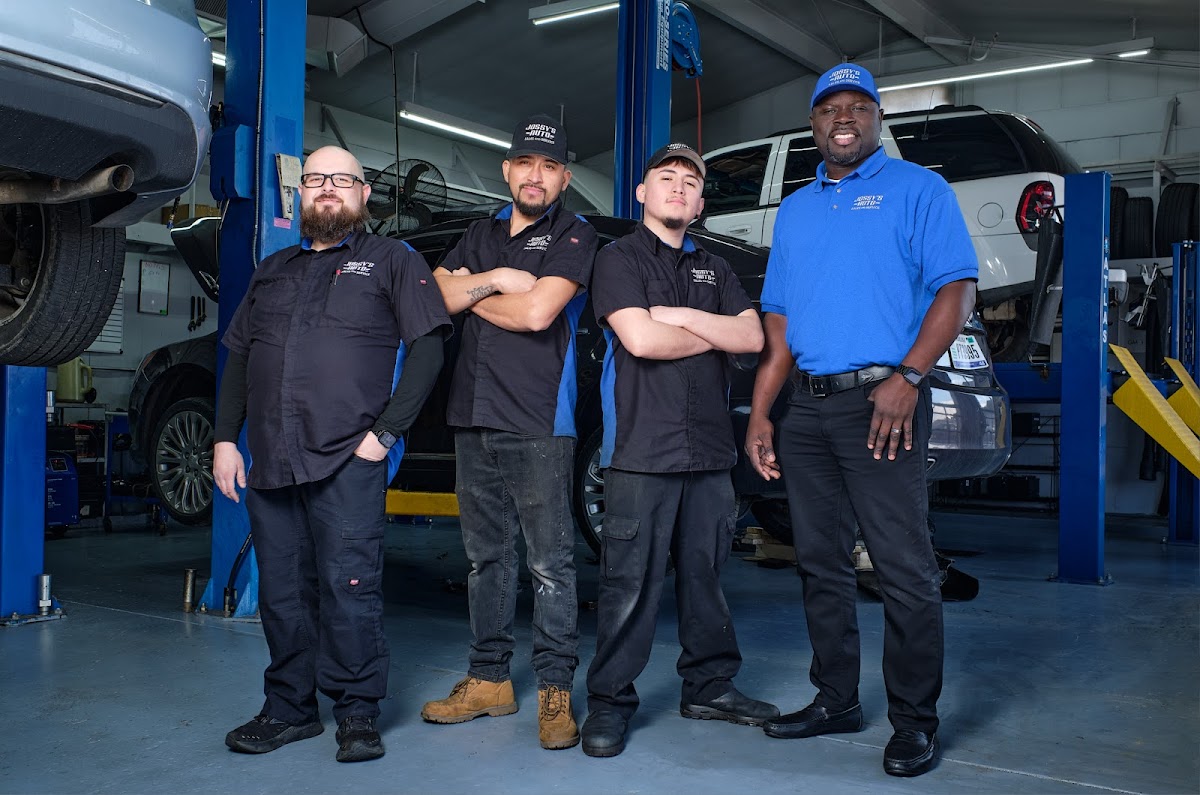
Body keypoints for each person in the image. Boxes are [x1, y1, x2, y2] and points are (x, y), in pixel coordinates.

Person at [745, 64, 978, 777]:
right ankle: (835, 698)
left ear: (876, 118)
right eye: (828, 109)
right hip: (806, 408)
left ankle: (914, 720)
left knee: (903, 566)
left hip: (883, 402)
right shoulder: (798, 209)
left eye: (857, 107)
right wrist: (761, 410)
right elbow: (779, 321)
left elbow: (957, 288)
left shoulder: (919, 190)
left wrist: (909, 376)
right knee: (819, 562)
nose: (842, 118)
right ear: (814, 124)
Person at [214, 145, 451, 763]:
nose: (327, 188)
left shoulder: (392, 259)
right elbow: (239, 359)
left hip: (348, 456)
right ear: (300, 193)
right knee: (283, 592)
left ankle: (356, 712)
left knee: (350, 587)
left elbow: (427, 349)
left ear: (363, 194)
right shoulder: (272, 269)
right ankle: (290, 708)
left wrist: (386, 434)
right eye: (316, 178)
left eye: (340, 180)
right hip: (270, 455)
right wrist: (222, 440)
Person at [581, 143, 778, 759]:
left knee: (707, 579)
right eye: (665, 178)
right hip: (642, 451)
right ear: (641, 192)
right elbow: (639, 340)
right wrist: (705, 329)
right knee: (629, 584)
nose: (678, 189)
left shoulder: (714, 269)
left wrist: (678, 316)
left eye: (690, 183)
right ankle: (610, 703)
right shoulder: (616, 259)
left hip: (711, 454)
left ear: (699, 202)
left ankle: (710, 686)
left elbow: (751, 336)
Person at [419, 114, 597, 751]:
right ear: (508, 168)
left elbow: (537, 312)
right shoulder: (479, 232)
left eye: (550, 167)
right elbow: (432, 299)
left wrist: (469, 290)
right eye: (526, 163)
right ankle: (489, 680)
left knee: (550, 565)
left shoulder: (575, 234)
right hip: (473, 414)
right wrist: (494, 280)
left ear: (563, 178)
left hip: (538, 420)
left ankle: (555, 690)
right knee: (484, 557)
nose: (536, 176)